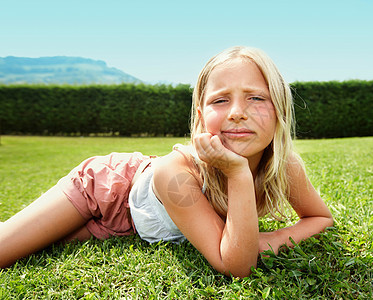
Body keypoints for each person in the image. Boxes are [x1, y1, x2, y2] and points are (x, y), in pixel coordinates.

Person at [0, 46, 333, 277]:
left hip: (131, 227)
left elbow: (320, 218)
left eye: (256, 97)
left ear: (280, 110)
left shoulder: (285, 165)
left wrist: (272, 239)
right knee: (6, 249)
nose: (237, 112)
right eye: (220, 100)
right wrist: (238, 173)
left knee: (44, 246)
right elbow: (237, 265)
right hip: (106, 192)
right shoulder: (176, 171)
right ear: (202, 117)